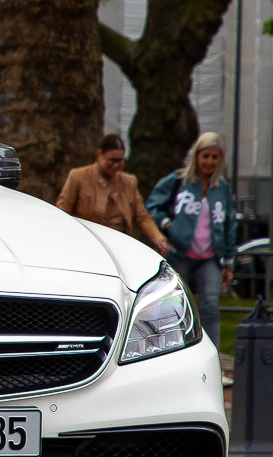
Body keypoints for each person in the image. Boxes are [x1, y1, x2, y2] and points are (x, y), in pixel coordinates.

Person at [147, 131, 236, 343]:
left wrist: (229, 262)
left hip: (210, 257)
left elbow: (230, 224)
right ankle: (171, 352)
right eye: (205, 156)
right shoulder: (178, 180)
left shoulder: (222, 187)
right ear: (196, 156)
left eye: (214, 157)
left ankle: (214, 358)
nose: (209, 161)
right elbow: (152, 206)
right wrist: (167, 225)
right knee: (173, 306)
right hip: (180, 253)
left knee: (211, 307)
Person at [56, 133, 171, 256]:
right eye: (112, 160)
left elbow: (142, 217)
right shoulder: (78, 177)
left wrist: (158, 239)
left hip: (118, 248)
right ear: (100, 154)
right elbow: (61, 213)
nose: (116, 165)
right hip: (86, 246)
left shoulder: (129, 182)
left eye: (120, 160)